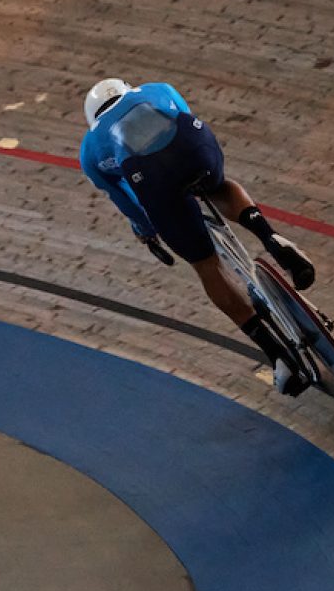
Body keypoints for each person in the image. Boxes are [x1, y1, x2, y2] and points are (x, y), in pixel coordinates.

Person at [79, 77, 316, 396]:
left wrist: (147, 231)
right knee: (218, 186)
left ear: (93, 117)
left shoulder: (90, 150)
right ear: (126, 90)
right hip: (193, 144)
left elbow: (128, 203)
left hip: (152, 174)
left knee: (205, 264)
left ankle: (279, 357)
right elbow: (184, 120)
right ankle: (272, 238)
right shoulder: (157, 89)